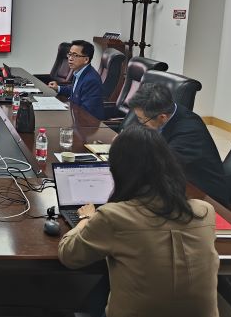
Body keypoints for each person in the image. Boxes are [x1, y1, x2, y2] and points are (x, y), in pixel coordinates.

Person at [58, 126, 219, 317]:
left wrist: (86, 218)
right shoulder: (204, 211)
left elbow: (69, 255)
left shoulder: (113, 216)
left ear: (119, 171)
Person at [127, 83, 229, 206]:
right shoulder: (164, 112)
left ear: (162, 117)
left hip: (205, 198)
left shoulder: (189, 132)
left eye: (142, 120)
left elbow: (160, 164)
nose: (140, 123)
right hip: (177, 183)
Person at [48, 39, 104, 119]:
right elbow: (75, 90)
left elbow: (87, 112)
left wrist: (66, 110)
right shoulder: (79, 71)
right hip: (76, 118)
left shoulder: (91, 80)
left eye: (75, 55)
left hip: (86, 123)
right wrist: (58, 88)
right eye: (69, 54)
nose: (70, 58)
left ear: (86, 60)